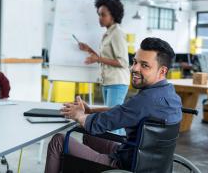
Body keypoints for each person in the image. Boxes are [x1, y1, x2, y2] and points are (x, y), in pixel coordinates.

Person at [44, 37, 182, 173]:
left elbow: (97, 124)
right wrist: (91, 110)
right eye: (134, 62)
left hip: (124, 165)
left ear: (162, 71)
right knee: (89, 136)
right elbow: (125, 111)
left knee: (59, 141)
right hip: (145, 160)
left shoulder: (145, 100)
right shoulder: (171, 95)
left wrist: (79, 115)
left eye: (144, 65)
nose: (134, 68)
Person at [78, 0, 130, 108]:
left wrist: (98, 58)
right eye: (99, 14)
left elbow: (123, 62)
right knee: (110, 118)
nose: (100, 18)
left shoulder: (117, 33)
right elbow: (106, 59)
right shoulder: (108, 33)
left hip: (117, 82)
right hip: (108, 81)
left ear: (113, 16)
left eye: (103, 15)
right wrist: (89, 49)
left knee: (112, 119)